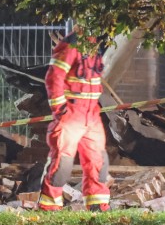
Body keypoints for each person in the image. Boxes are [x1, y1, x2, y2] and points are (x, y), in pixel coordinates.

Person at [37, 25, 111, 212]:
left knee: (98, 161)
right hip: (72, 112)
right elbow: (54, 77)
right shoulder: (71, 45)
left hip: (92, 113)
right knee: (63, 162)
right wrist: (60, 109)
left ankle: (98, 205)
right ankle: (50, 207)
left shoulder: (96, 47)